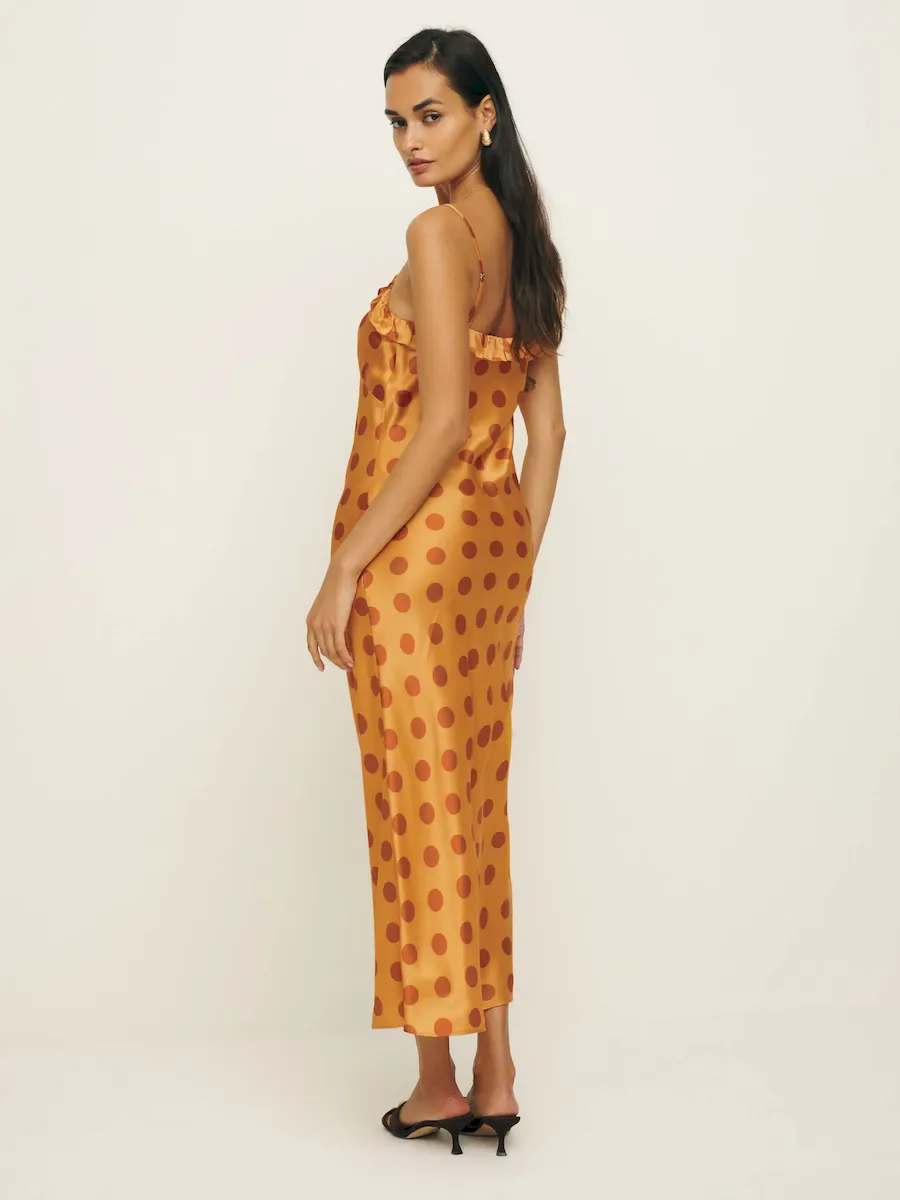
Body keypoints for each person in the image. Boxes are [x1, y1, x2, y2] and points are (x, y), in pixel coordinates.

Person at [306, 27, 566, 1157]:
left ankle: (435, 1083)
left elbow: (448, 420)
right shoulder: (527, 239)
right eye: (397, 122)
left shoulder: (434, 234)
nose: (411, 142)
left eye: (432, 115)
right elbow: (548, 436)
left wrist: (347, 564)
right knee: (473, 806)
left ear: (483, 115)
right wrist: (515, 576)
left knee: (418, 817)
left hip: (411, 565)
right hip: (486, 561)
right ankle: (495, 1066)